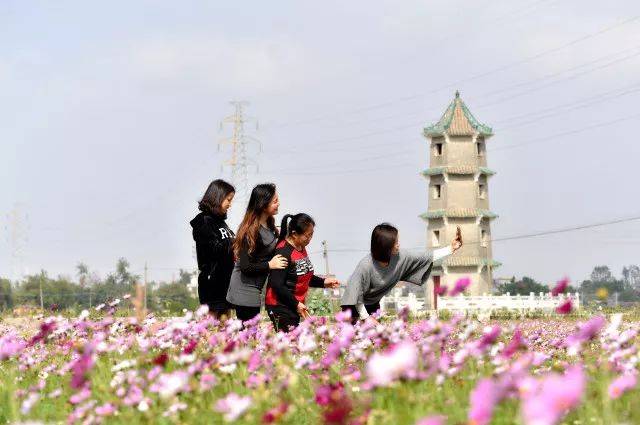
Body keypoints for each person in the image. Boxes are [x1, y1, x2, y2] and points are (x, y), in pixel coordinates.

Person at [340, 223, 462, 322]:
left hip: (372, 304)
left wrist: (450, 248)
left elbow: (425, 257)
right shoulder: (365, 266)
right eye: (395, 242)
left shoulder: (400, 257)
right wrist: (365, 318)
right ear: (385, 246)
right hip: (353, 306)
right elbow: (356, 296)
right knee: (352, 342)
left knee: (375, 341)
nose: (399, 244)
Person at [265, 213, 340, 332]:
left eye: (311, 235)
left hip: (293, 305)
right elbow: (277, 284)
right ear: (294, 234)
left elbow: (304, 275)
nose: (310, 239)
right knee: (289, 344)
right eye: (307, 236)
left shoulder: (301, 247)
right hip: (280, 306)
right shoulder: (283, 252)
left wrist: (324, 282)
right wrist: (296, 304)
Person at [226, 183, 288, 322]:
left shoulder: (270, 225)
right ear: (263, 204)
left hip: (255, 289)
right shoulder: (249, 231)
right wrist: (270, 265)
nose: (279, 203)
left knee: (250, 335)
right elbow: (245, 267)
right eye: (275, 201)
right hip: (244, 290)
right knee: (249, 335)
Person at [190, 179, 236, 319]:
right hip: (213, 284)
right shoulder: (203, 222)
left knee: (225, 330)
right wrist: (236, 242)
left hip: (226, 283)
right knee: (210, 328)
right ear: (218, 197)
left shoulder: (221, 223)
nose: (230, 204)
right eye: (228, 199)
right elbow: (214, 249)